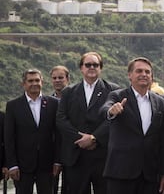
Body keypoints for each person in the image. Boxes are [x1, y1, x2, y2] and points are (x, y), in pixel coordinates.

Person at [101, 57, 164, 194]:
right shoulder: (118, 96)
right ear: (130, 75)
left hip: (149, 174)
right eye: (139, 71)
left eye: (147, 72)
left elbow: (163, 140)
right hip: (121, 172)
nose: (144, 74)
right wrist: (112, 111)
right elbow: (105, 109)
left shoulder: (160, 102)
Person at [56, 52, 120, 194]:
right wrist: (79, 138)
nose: (92, 67)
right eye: (88, 64)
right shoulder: (68, 92)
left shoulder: (113, 90)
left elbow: (114, 119)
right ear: (81, 68)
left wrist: (94, 137)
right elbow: (61, 119)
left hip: (103, 156)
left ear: (100, 68)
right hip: (76, 156)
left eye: (95, 65)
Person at [4, 69, 61, 194]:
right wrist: (12, 165)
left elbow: (58, 135)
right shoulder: (13, 106)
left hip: (47, 165)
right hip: (22, 166)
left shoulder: (54, 104)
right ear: (23, 84)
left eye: (37, 80)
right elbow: (9, 138)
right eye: (30, 81)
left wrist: (57, 161)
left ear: (42, 82)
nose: (34, 83)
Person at [50, 65, 70, 194]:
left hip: (71, 152)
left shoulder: (76, 99)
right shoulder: (46, 102)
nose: (57, 80)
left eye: (61, 78)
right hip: (52, 153)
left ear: (68, 79)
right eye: (54, 78)